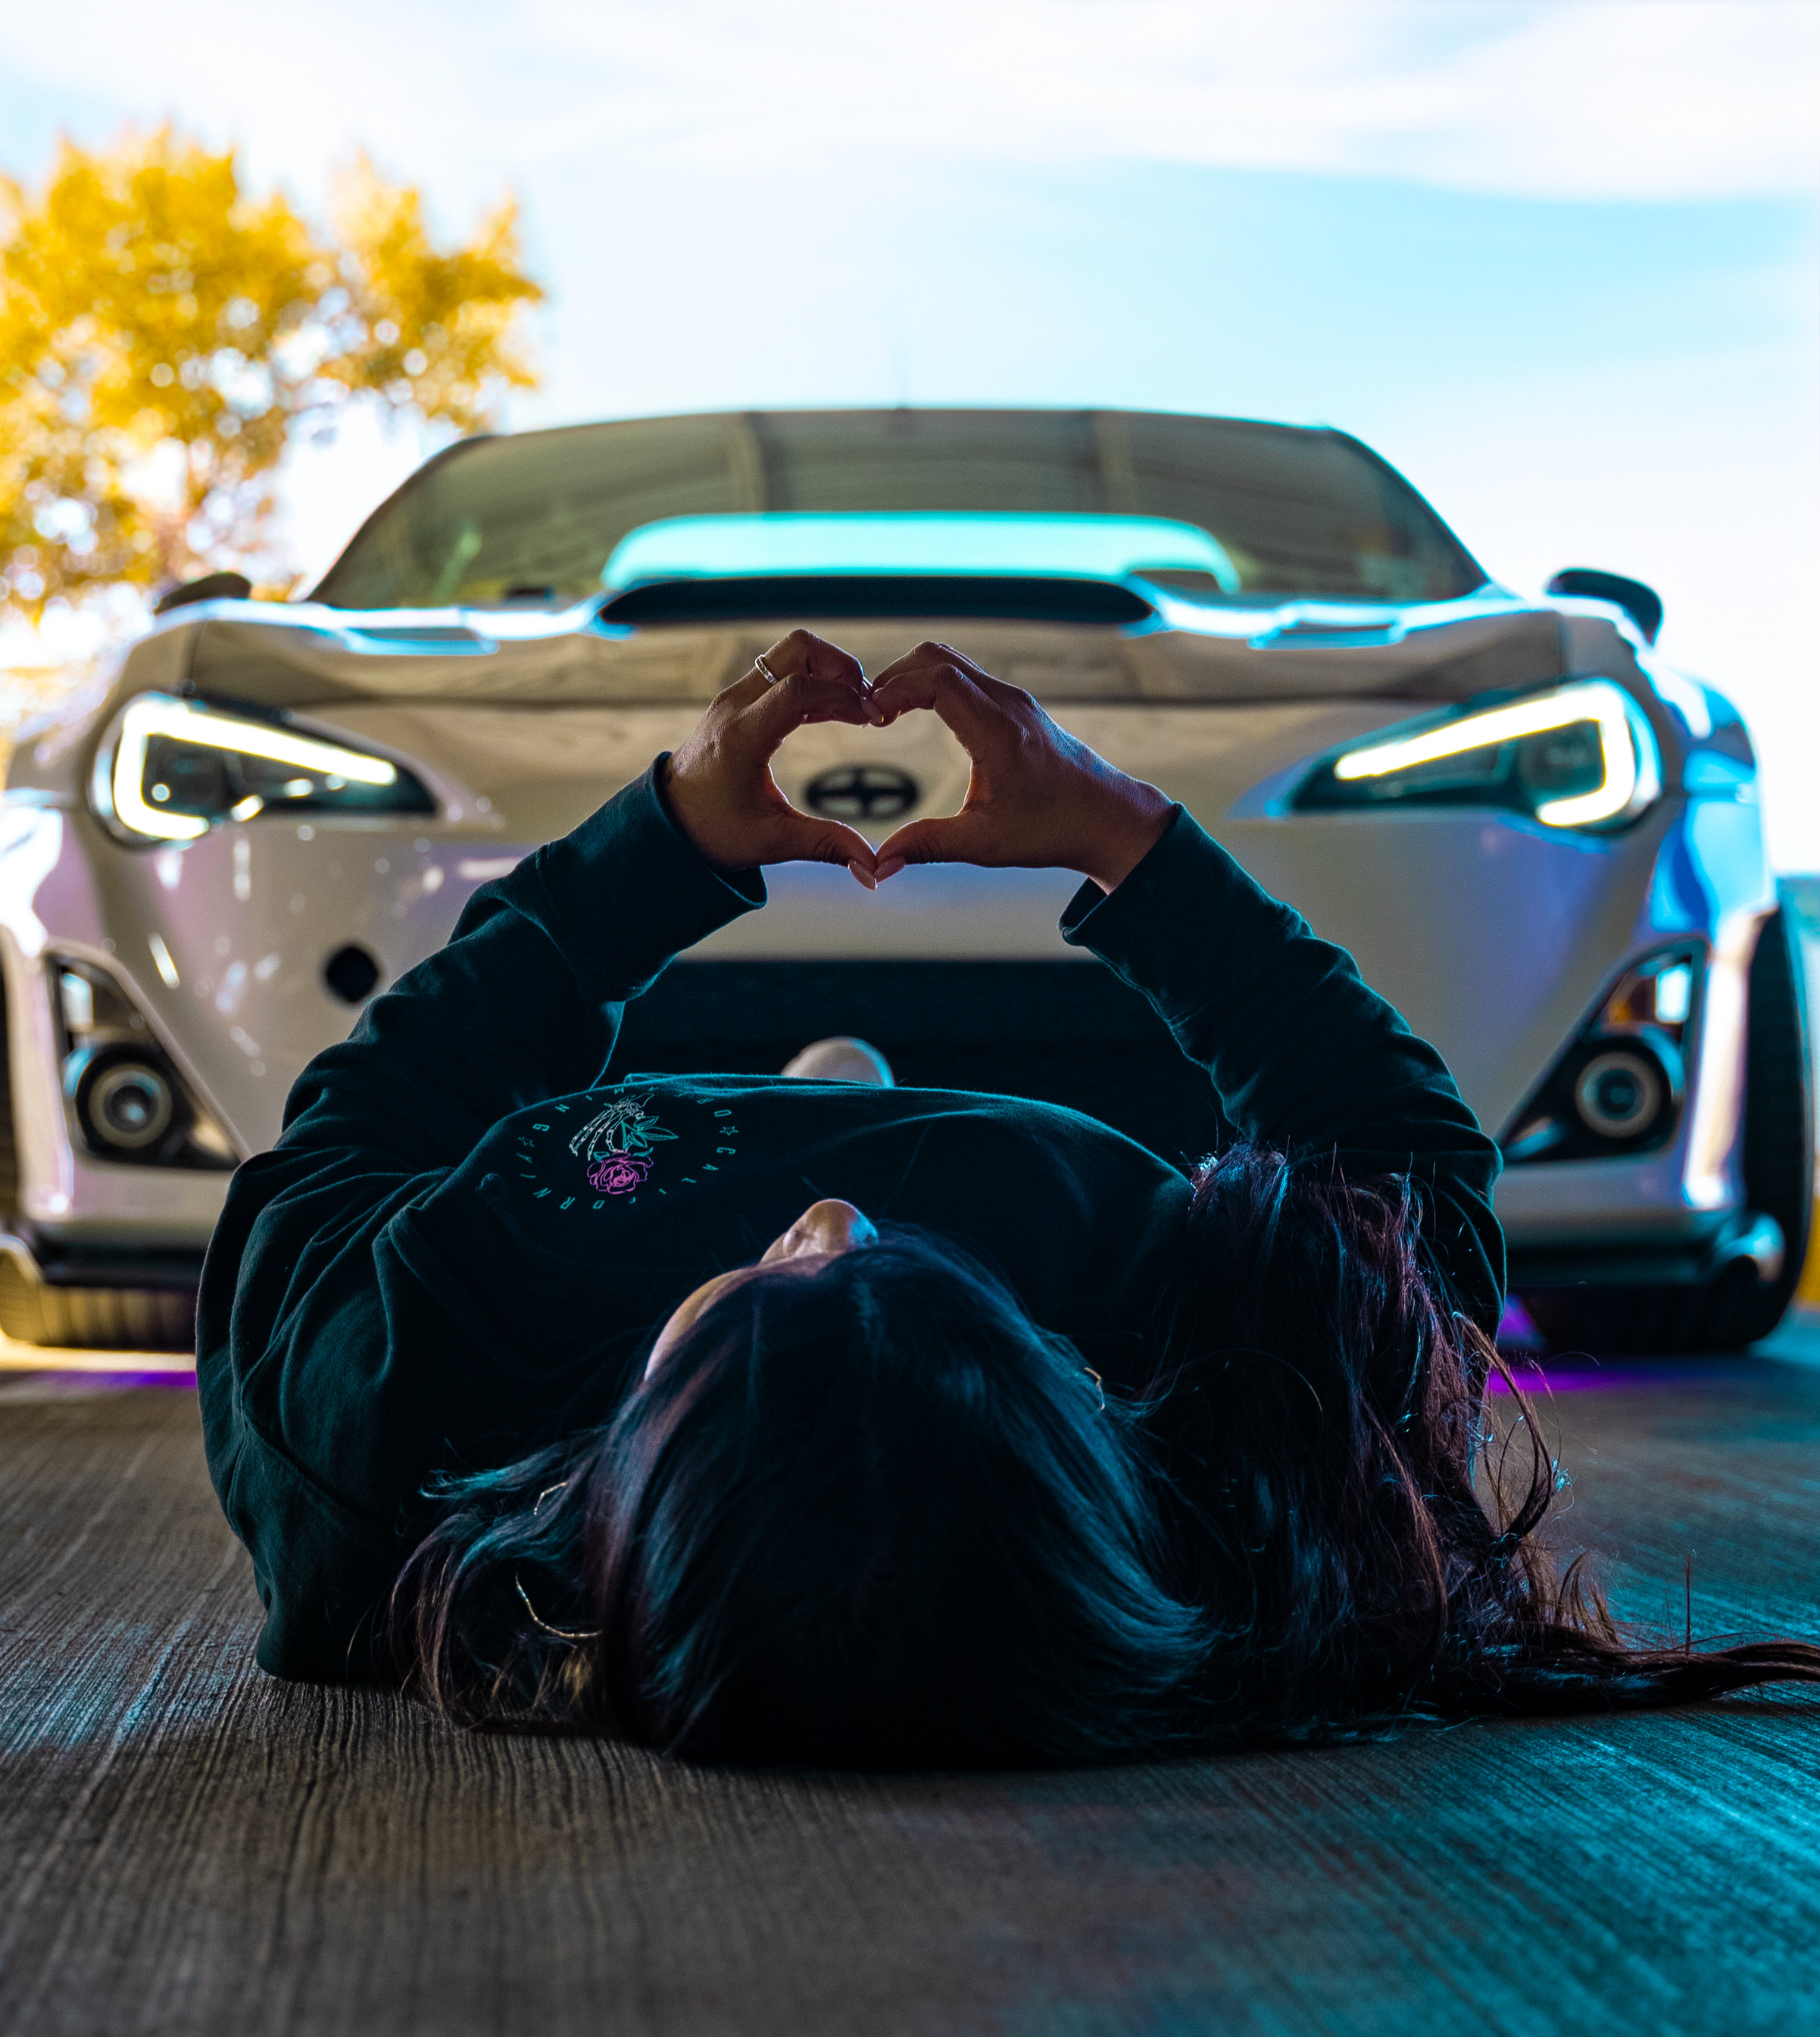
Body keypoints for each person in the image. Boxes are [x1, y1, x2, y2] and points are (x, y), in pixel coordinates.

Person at [199, 631, 1820, 1767]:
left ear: (631, 1469)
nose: (826, 1220)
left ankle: (832, 1073)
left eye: (764, 1292)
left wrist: (660, 846)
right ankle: (847, 1074)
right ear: (1077, 1431)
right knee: (859, 1085)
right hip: (1033, 1227)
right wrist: (1120, 840)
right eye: (912, 1276)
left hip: (611, 1168)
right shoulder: (1238, 1437)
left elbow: (340, 1141)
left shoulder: (383, 1440)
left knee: (816, 1082)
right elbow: (1406, 1176)